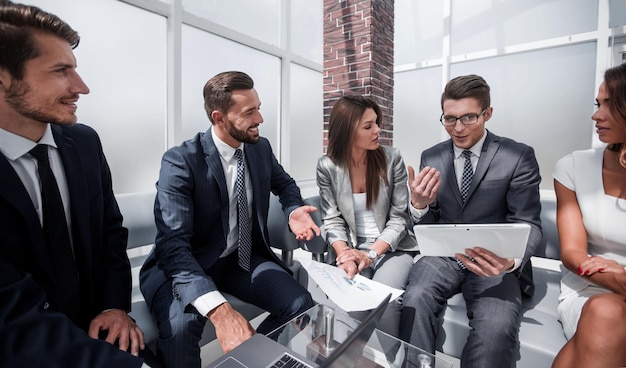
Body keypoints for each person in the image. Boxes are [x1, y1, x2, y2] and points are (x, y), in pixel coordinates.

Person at [0, 2, 155, 367]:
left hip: (98, 322)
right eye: (60, 71)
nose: (81, 87)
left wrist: (115, 306)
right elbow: (12, 316)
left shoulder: (84, 142)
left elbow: (109, 233)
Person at [139, 71, 320, 368]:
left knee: (300, 306)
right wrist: (220, 311)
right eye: (250, 112)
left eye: (259, 107)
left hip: (239, 259)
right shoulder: (180, 161)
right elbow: (173, 247)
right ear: (219, 117)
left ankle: (245, 363)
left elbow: (285, 185)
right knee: (181, 330)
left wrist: (293, 210)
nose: (260, 118)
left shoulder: (259, 148)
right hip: (186, 266)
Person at [400, 74, 542, 368]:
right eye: (450, 119)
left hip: (494, 260)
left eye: (468, 118)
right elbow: (429, 222)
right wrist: (419, 205)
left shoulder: (517, 156)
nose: (458, 128)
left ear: (487, 113)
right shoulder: (433, 156)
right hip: (443, 257)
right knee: (414, 299)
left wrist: (509, 262)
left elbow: (530, 224)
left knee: (496, 329)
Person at [315, 95, 418, 342]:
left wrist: (370, 255)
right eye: (368, 126)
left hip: (391, 249)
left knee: (387, 301)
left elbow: (399, 219)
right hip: (352, 249)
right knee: (347, 300)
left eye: (376, 123)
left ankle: (391, 361)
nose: (378, 130)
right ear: (348, 131)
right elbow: (332, 219)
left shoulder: (392, 158)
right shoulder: (327, 166)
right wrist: (344, 254)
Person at [551, 64, 626, 368]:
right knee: (606, 312)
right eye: (598, 104)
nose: (596, 115)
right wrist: (615, 276)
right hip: (589, 285)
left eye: (611, 105)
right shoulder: (572, 168)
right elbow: (572, 253)